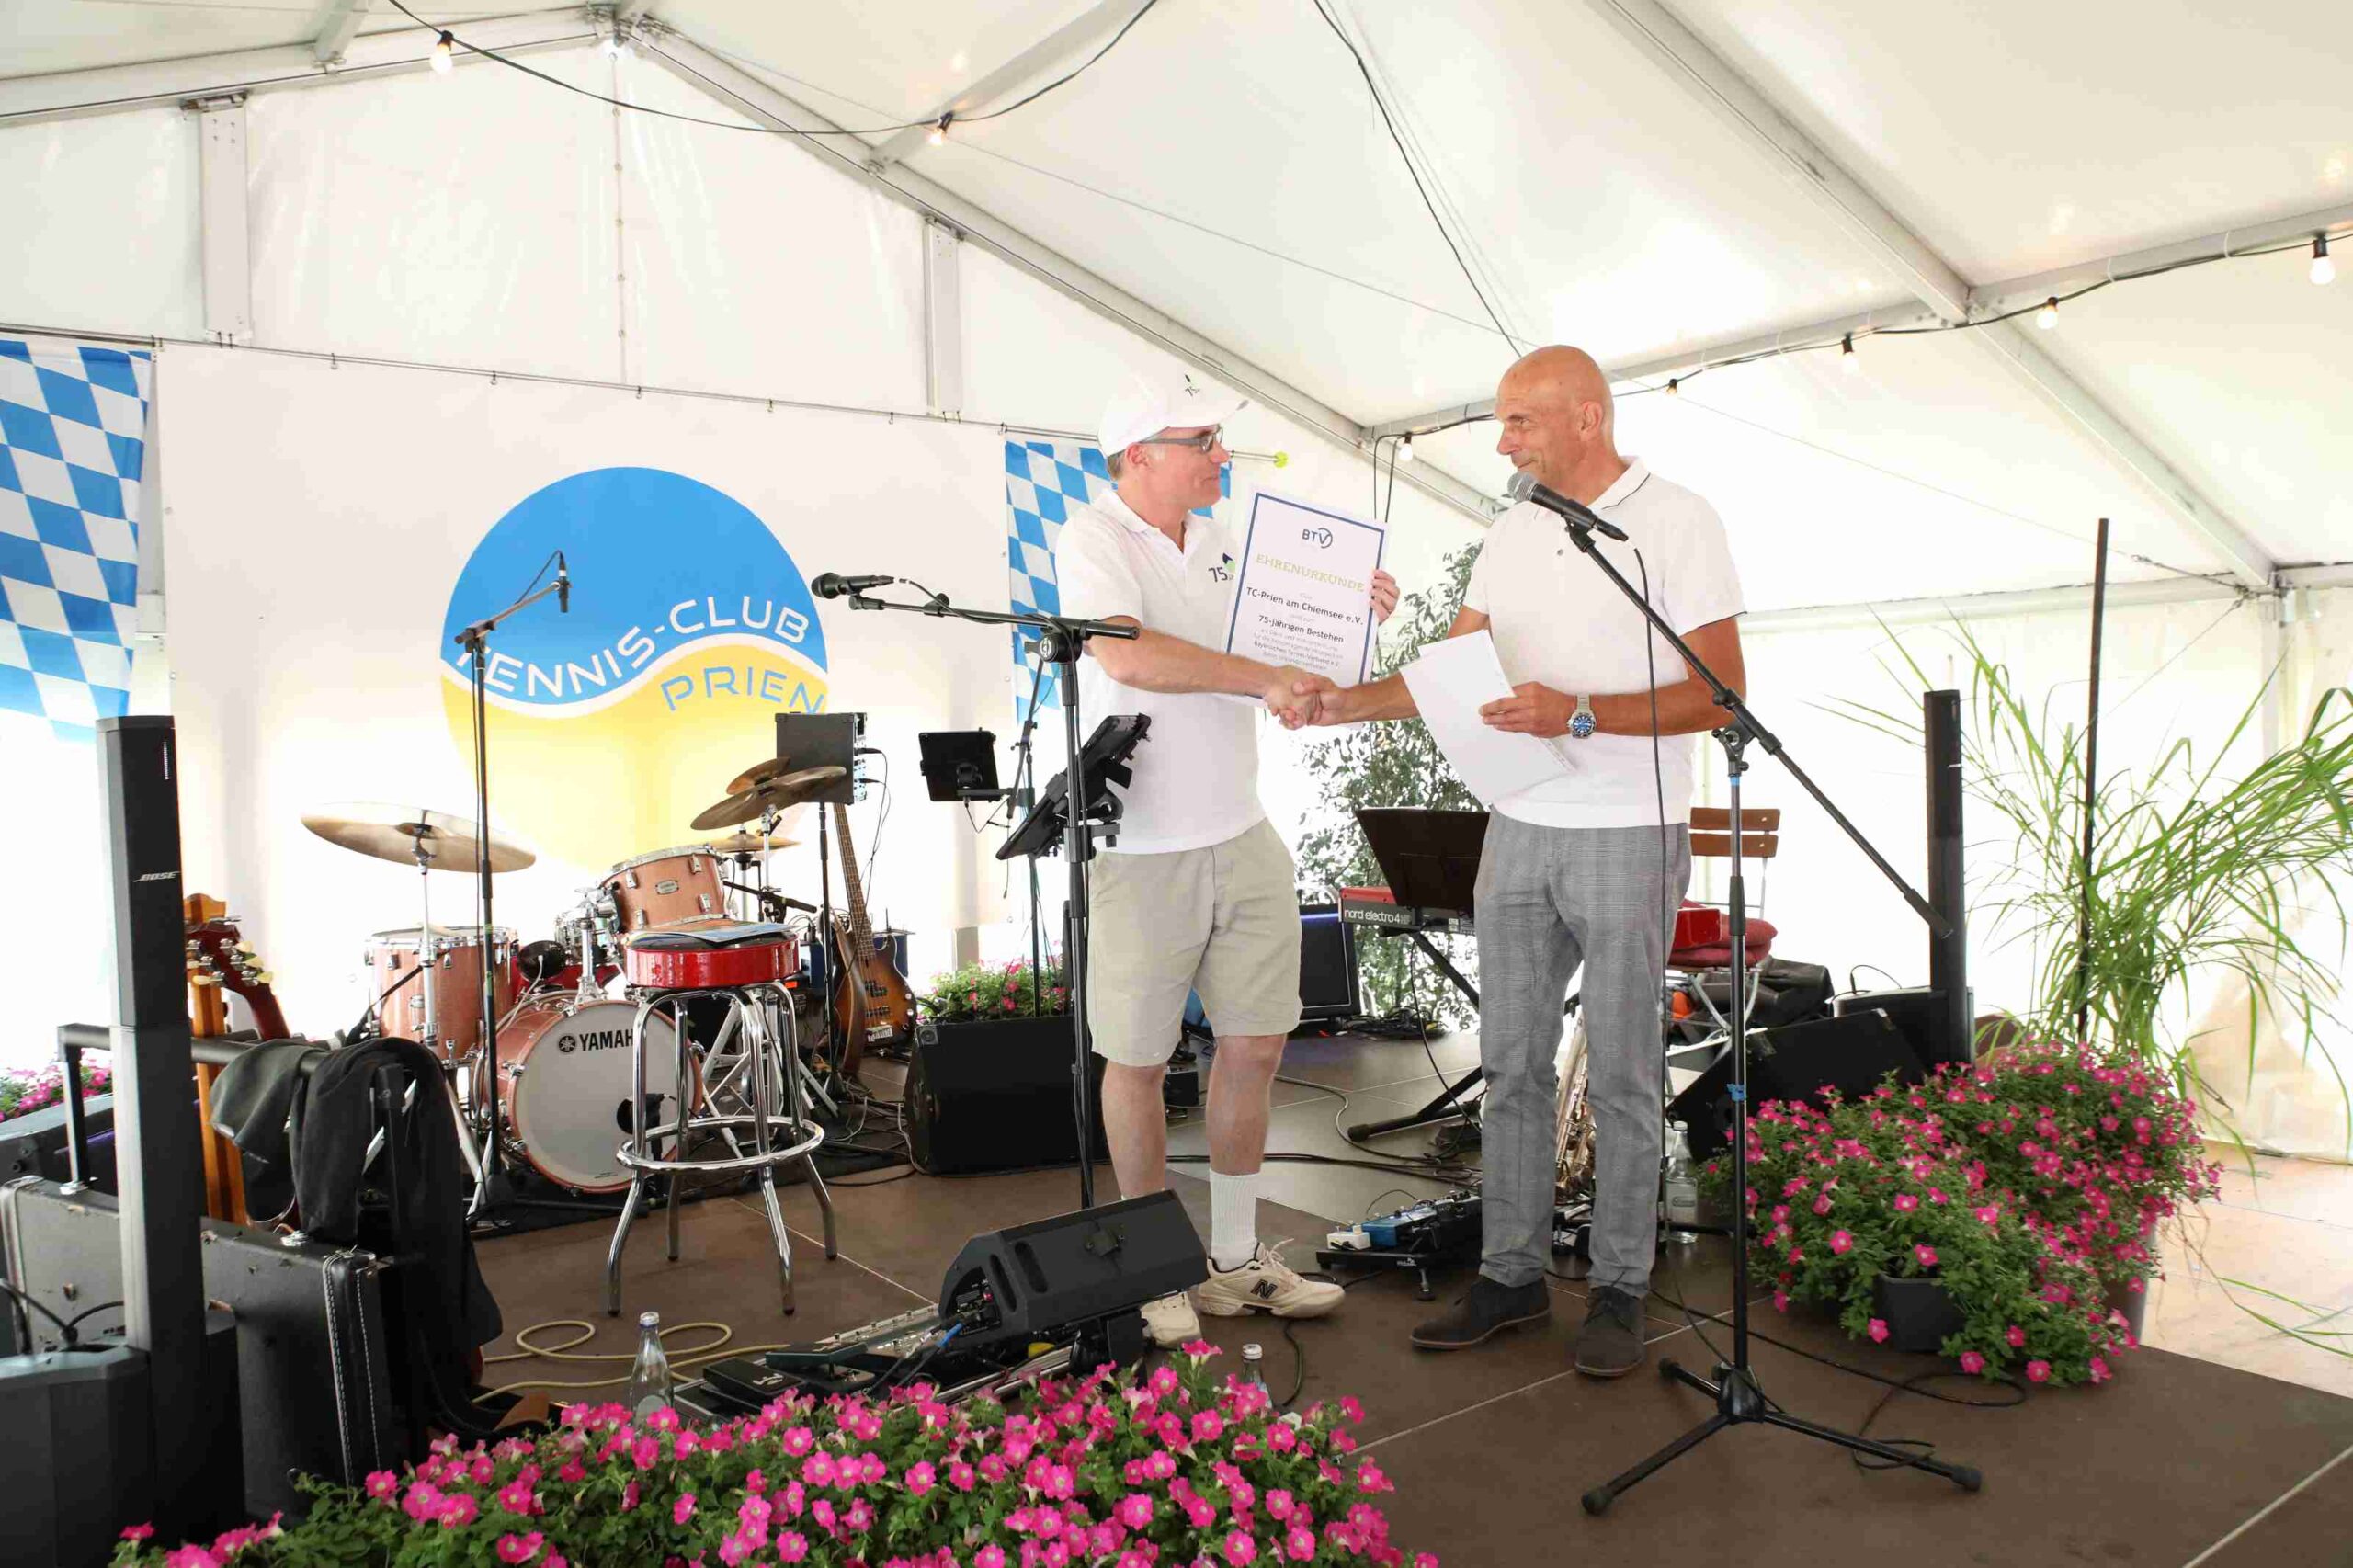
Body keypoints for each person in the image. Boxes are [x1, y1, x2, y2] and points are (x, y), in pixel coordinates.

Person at [1295, 345, 1745, 1377]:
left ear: (1587, 417)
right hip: (1518, 824)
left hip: (1630, 825)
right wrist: (1342, 704)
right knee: (1509, 1065)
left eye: (1519, 422)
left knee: (1624, 1071)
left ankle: (1621, 1286)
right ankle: (1510, 1274)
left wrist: (1578, 711)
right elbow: (1450, 672)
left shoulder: (1677, 521)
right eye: (1500, 423)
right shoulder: (1511, 530)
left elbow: (1719, 695)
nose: (1502, 444)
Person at [1053, 369, 1398, 1348]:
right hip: (1141, 845)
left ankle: (1237, 1258)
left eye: (1217, 439)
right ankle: (1151, 1267)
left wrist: (1351, 617)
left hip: (1242, 829)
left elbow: (1285, 664)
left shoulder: (1228, 541)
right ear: (1139, 454)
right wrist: (1265, 674)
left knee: (1256, 1043)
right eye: (1201, 440)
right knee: (1136, 1061)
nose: (1220, 455)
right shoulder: (1090, 537)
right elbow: (1129, 655)